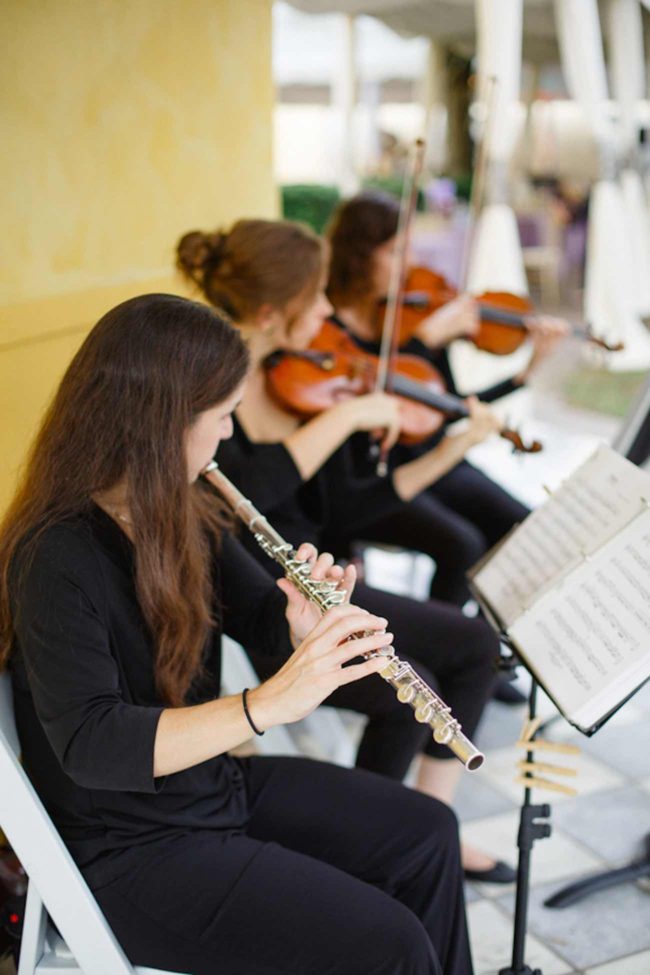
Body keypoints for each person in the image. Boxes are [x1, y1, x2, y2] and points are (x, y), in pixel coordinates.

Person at [0, 293, 475, 975]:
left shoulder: (181, 512)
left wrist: (299, 626)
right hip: (131, 852)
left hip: (206, 790)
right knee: (392, 944)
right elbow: (92, 744)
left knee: (429, 833)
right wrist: (265, 705)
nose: (228, 435)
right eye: (222, 416)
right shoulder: (55, 555)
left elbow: (258, 620)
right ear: (163, 423)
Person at [176, 221, 515, 883]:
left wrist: (448, 448)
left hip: (309, 577)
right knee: (401, 689)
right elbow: (233, 496)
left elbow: (349, 508)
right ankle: (380, 845)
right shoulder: (211, 394)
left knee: (471, 646)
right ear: (274, 314)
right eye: (319, 300)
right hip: (256, 596)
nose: (333, 313)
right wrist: (346, 419)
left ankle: (424, 823)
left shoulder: (300, 381)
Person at [325, 190, 567, 608]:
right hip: (385, 473)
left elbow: (443, 405)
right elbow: (387, 402)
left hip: (434, 458)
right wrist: (424, 340)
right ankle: (452, 648)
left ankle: (492, 645)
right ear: (359, 254)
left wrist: (523, 375)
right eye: (396, 251)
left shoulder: (408, 316)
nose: (411, 264)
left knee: (523, 527)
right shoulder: (328, 329)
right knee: (463, 545)